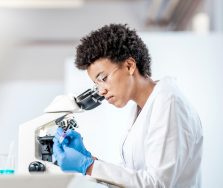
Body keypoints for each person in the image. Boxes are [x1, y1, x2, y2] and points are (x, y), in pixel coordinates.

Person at [52, 24, 203, 187]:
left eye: (103, 78)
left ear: (130, 66)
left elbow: (157, 184)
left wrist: (89, 166)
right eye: (96, 84)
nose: (101, 91)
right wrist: (91, 161)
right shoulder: (140, 109)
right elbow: (132, 179)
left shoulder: (169, 103)